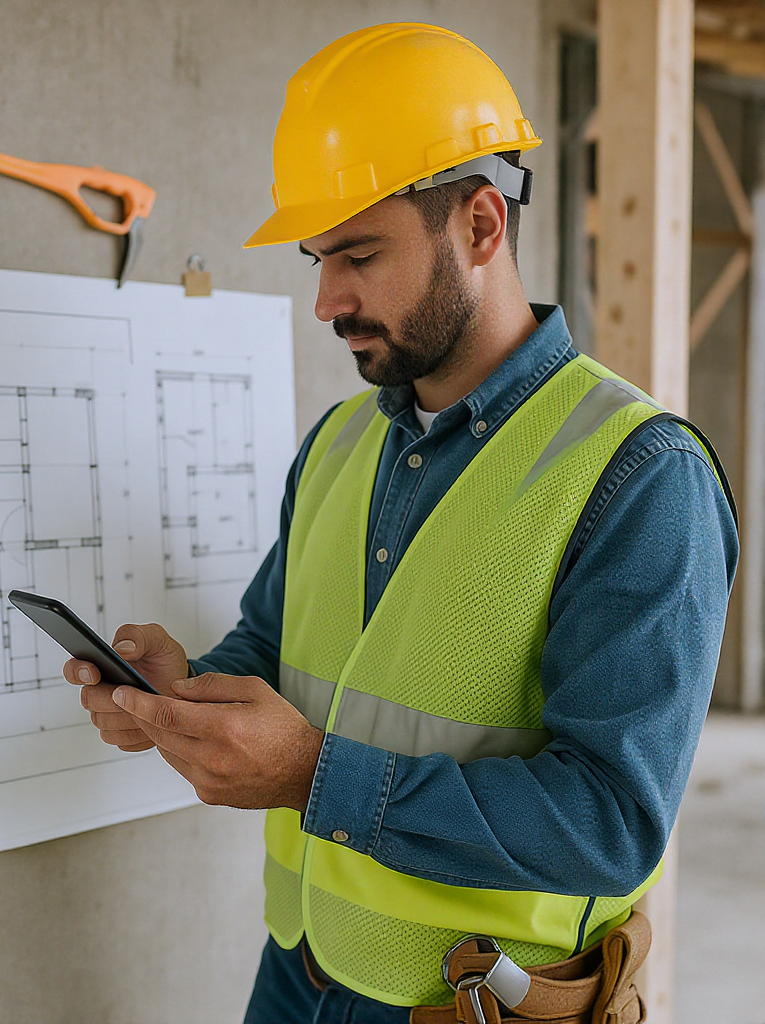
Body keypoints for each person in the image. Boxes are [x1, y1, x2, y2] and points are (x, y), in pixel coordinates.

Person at [64, 23, 738, 1024]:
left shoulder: (639, 476)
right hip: (297, 974)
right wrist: (183, 693)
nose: (325, 299)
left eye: (358, 255)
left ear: (480, 226)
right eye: (317, 258)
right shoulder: (339, 442)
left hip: (468, 1004)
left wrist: (314, 775)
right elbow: (276, 645)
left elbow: (609, 821)